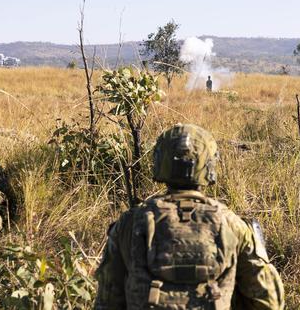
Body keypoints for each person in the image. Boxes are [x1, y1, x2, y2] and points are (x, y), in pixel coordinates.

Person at [95, 124, 285, 310]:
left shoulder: (130, 222)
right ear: (209, 166)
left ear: (160, 162)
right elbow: (269, 301)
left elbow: (108, 299)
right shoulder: (232, 224)